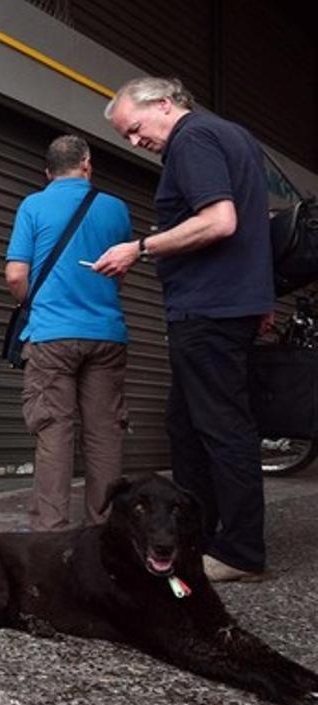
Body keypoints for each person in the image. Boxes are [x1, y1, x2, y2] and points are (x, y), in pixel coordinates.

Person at [95, 77, 274, 582]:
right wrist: (258, 297)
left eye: (134, 129)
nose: (135, 142)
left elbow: (220, 221)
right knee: (188, 426)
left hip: (209, 309)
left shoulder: (191, 139)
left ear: (166, 105)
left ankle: (240, 552)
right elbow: (254, 223)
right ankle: (202, 536)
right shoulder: (233, 136)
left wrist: (141, 248)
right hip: (228, 303)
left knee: (221, 429)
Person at [4, 135, 132, 531]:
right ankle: (106, 529)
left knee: (53, 430)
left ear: (48, 172)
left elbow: (15, 274)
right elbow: (120, 271)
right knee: (104, 435)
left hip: (52, 336)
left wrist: (33, 303)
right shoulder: (116, 209)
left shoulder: (34, 205)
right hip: (106, 334)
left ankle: (51, 532)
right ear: (87, 165)